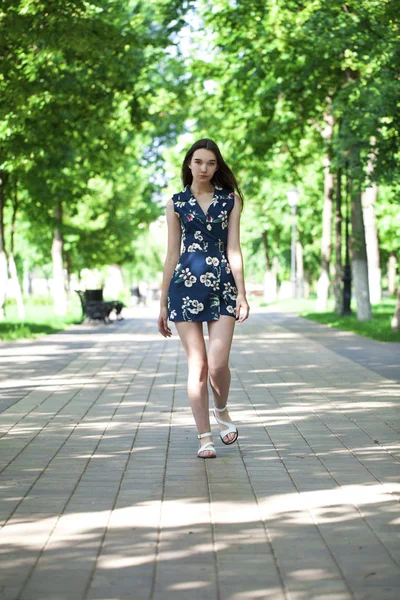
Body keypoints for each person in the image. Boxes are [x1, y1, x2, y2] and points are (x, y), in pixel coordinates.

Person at [158, 138, 250, 459]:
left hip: (222, 284)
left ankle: (221, 409)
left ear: (217, 166)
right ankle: (204, 438)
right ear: (189, 164)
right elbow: (172, 254)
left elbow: (234, 249)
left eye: (211, 163)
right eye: (198, 162)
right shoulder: (176, 203)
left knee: (218, 363)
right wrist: (162, 302)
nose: (204, 169)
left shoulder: (230, 201)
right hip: (184, 286)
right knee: (197, 366)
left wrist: (242, 293)